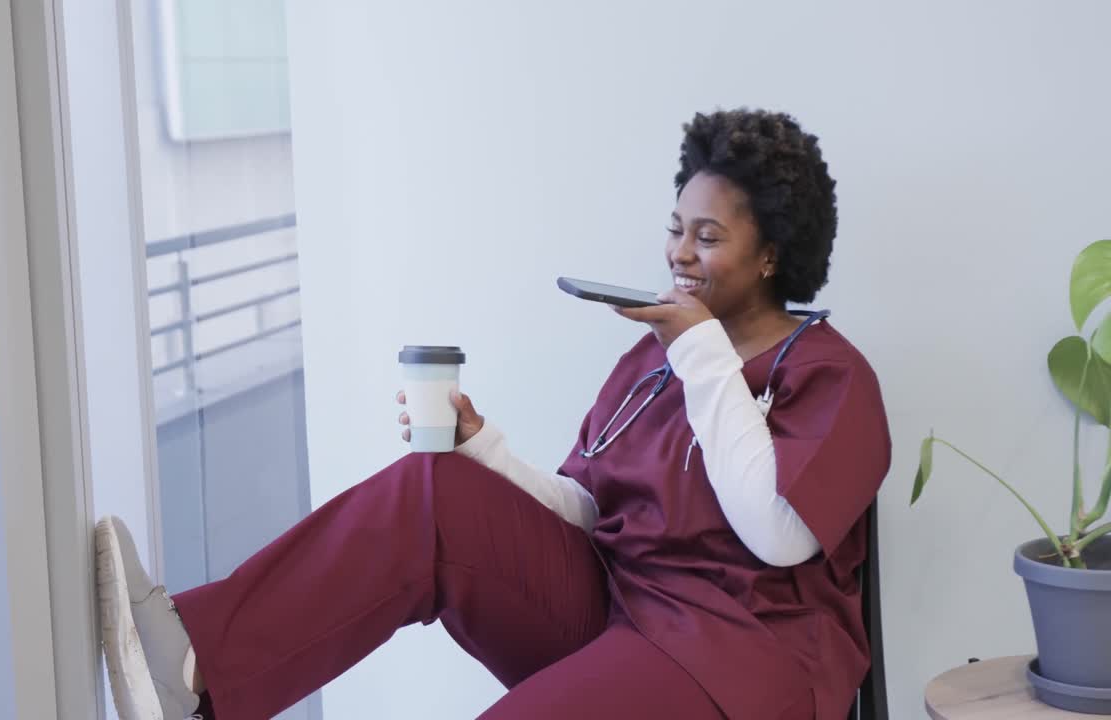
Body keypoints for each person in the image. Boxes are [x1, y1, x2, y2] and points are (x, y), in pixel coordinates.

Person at [96, 108, 892, 720]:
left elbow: (779, 533)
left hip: (740, 660)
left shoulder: (829, 375)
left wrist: (703, 353)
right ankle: (196, 671)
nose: (680, 253)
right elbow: (591, 515)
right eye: (676, 229)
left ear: (771, 254)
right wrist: (486, 453)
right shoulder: (654, 358)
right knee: (433, 487)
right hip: (621, 610)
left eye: (708, 236)